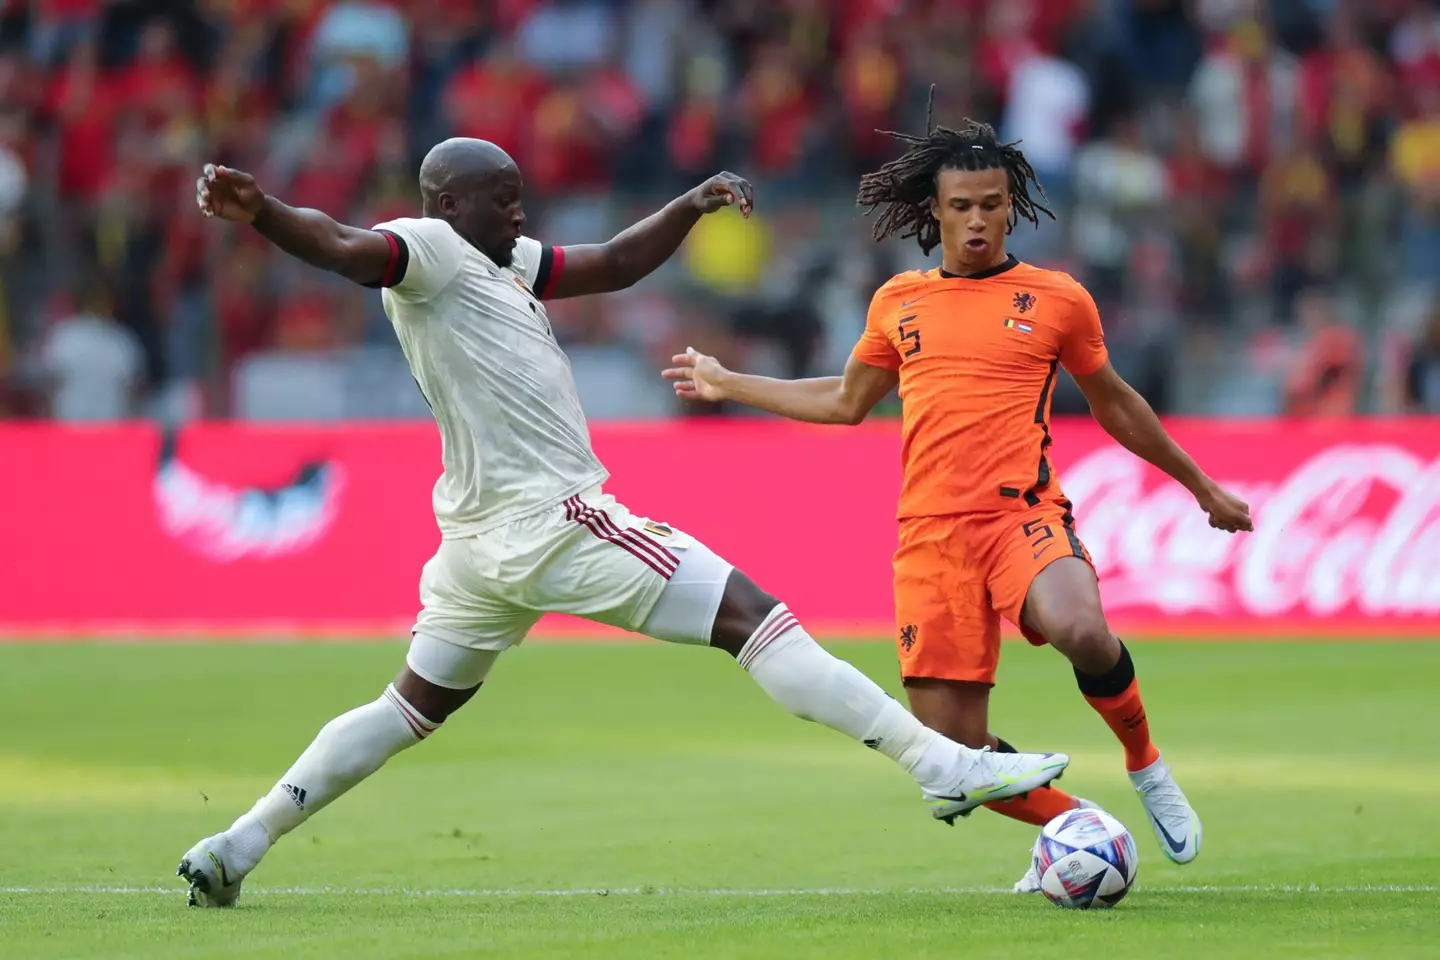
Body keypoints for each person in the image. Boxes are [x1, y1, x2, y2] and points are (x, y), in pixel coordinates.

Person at [175, 139, 1070, 907]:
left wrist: (691, 203)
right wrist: (265, 213)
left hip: (478, 544)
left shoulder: (502, 261)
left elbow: (611, 263)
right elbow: (339, 246)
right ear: (449, 205)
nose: (521, 211)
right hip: (554, 520)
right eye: (504, 198)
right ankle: (939, 766)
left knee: (406, 707)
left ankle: (240, 843)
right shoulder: (432, 249)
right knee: (753, 618)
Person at [663, 118, 1253, 891]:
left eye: (992, 205)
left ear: (1013, 209)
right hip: (931, 539)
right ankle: (1080, 825)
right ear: (935, 214)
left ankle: (1145, 763)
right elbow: (847, 402)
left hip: (1022, 515)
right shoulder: (899, 302)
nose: (978, 221)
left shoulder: (1056, 299)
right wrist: (731, 382)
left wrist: (1201, 485)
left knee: (1080, 626)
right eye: (963, 207)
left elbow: (1115, 403)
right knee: (949, 754)